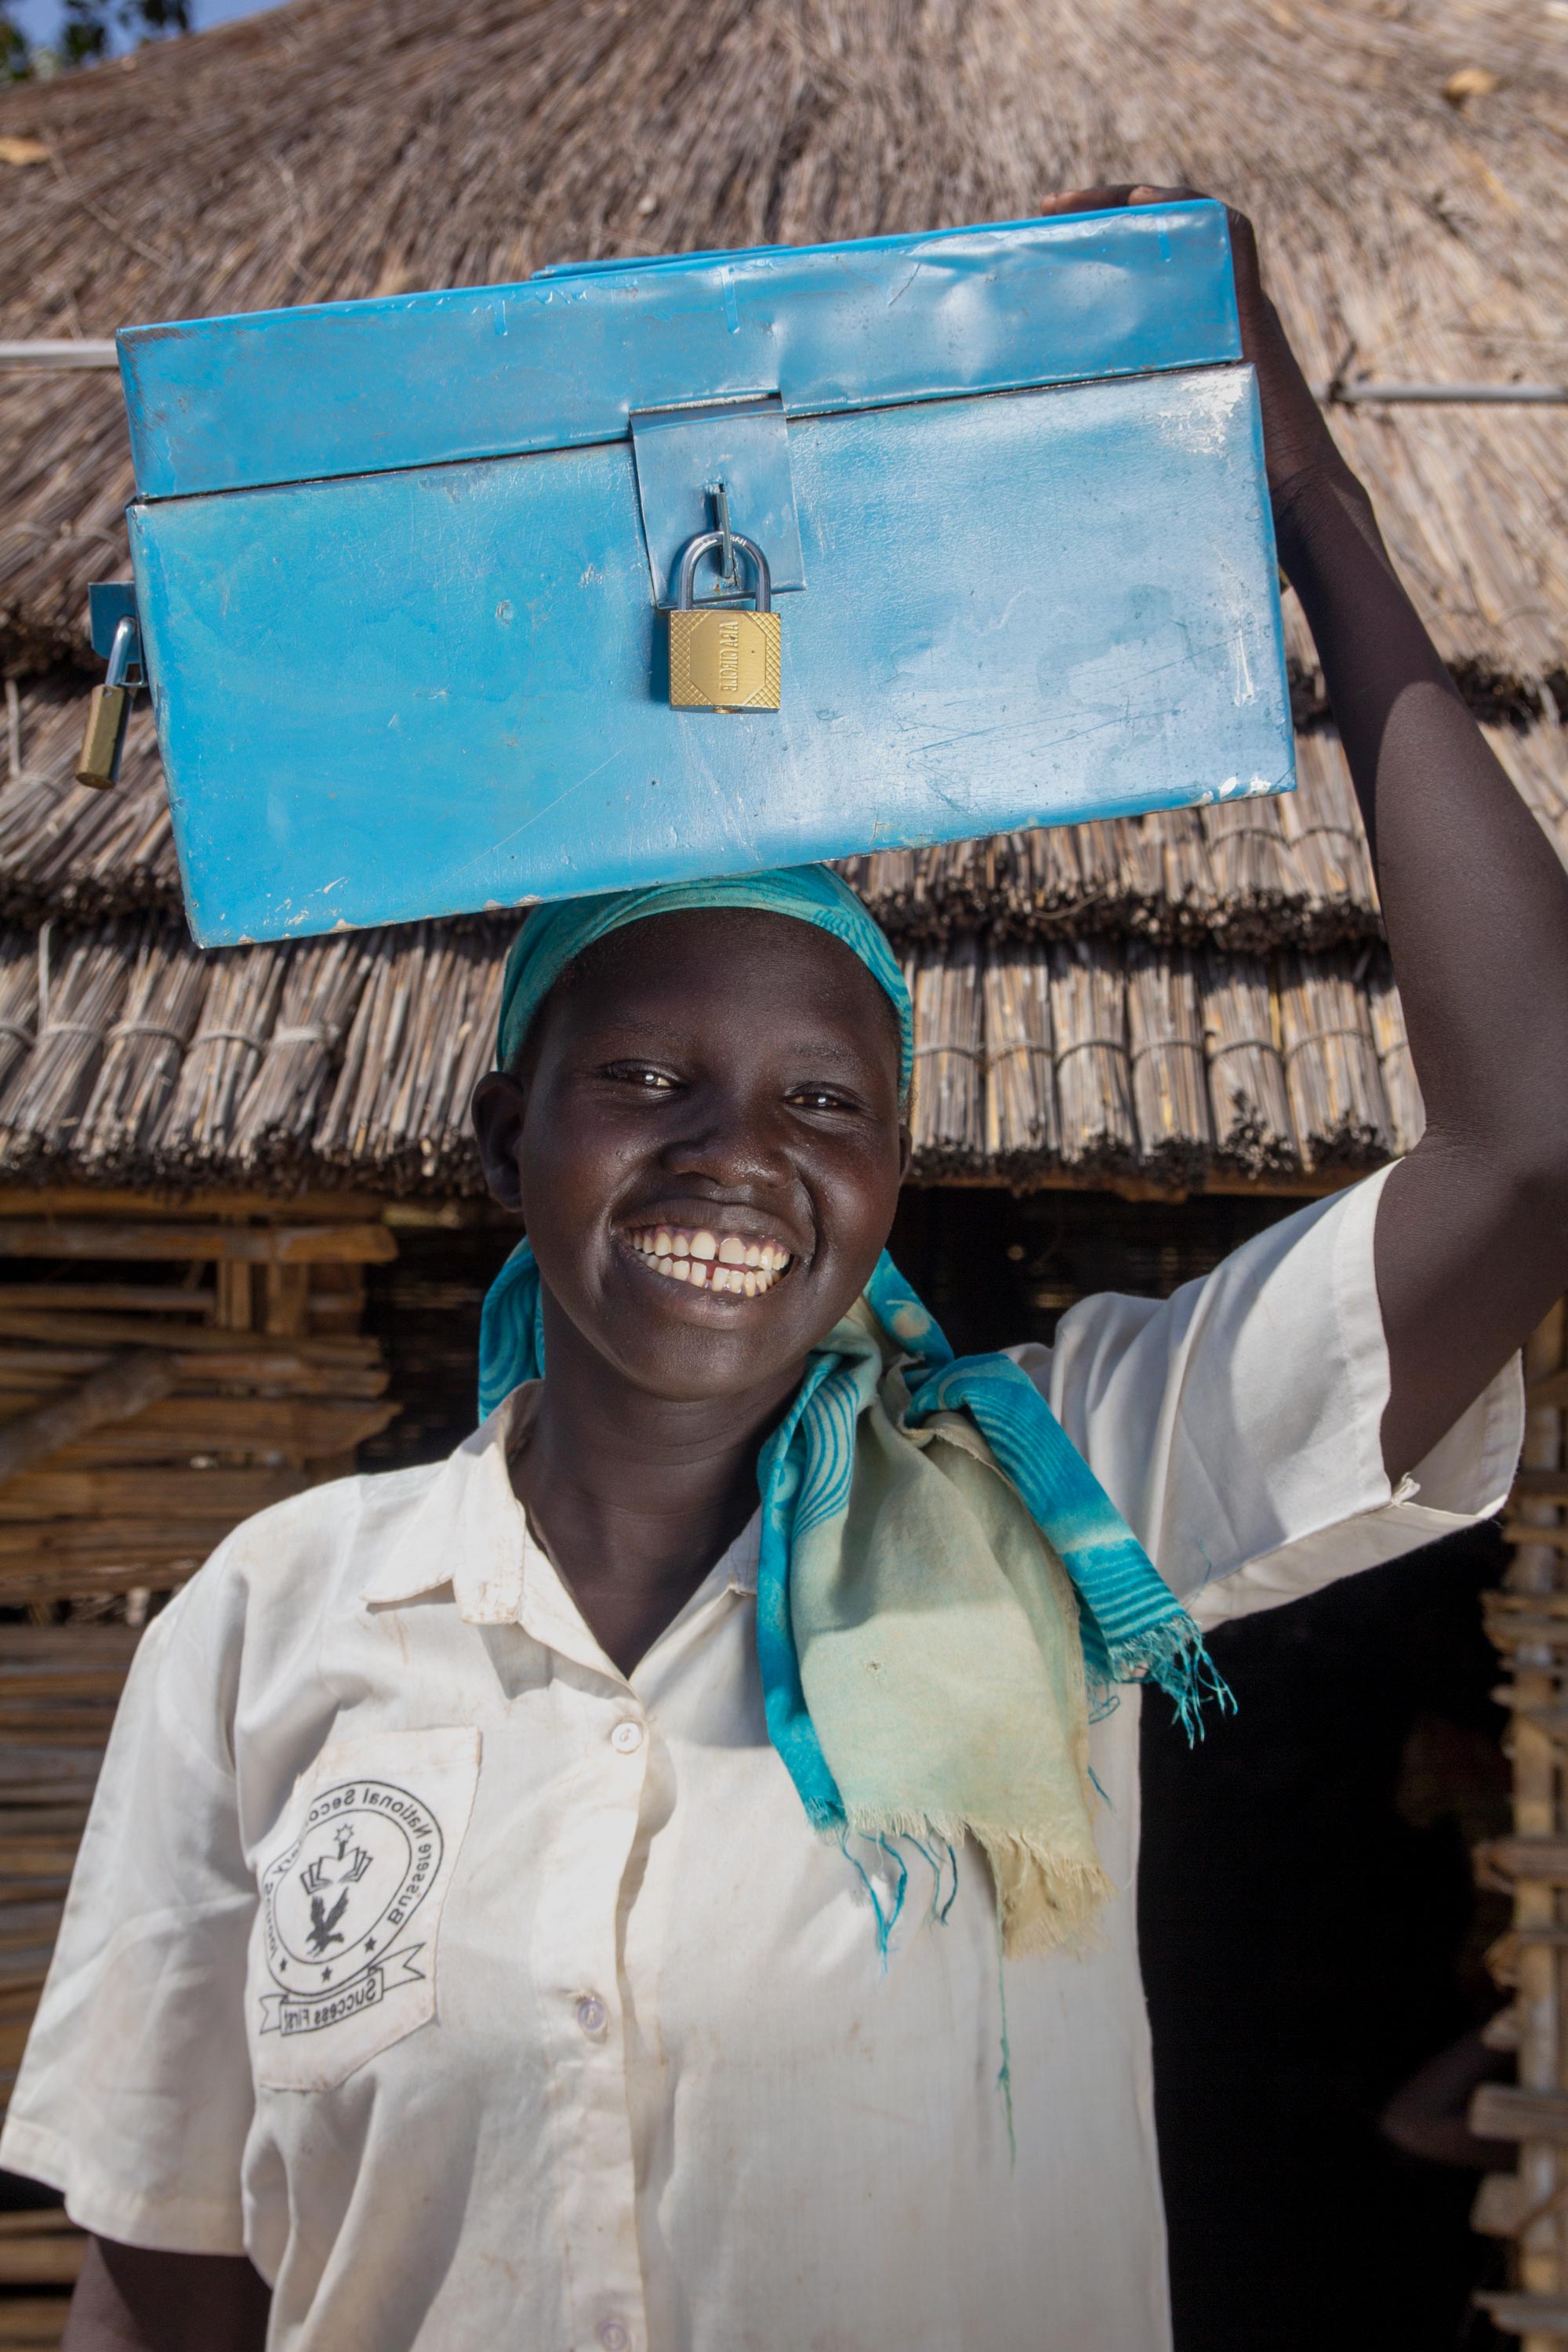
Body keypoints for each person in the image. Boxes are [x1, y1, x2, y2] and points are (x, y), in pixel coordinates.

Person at [8, 183, 1566, 2352]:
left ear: (895, 1167)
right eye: (647, 1076)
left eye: (824, 1101)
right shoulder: (268, 1636)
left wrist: (1307, 509)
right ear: (504, 1137)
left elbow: (1531, 1146)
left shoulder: (1053, 1503)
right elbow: (163, 2288)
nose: (738, 1153)